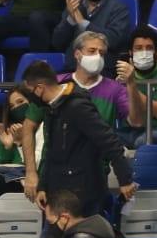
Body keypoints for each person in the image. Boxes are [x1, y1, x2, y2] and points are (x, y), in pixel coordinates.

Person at [19, 59, 135, 217]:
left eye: (31, 92)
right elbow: (51, 152)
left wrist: (125, 180)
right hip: (58, 191)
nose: (31, 98)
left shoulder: (78, 106)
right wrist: (43, 187)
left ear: (39, 88)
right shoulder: (51, 108)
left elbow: (110, 142)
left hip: (84, 191)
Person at [62, 30, 133, 144]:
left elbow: (136, 121)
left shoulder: (115, 89)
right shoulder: (59, 83)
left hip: (100, 157)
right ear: (77, 54)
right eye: (92, 51)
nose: (97, 56)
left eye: (101, 53)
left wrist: (131, 83)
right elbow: (31, 124)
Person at [114, 25, 157, 147]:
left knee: (143, 142)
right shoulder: (122, 77)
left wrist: (131, 84)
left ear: (156, 52)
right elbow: (131, 119)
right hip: (129, 130)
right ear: (130, 53)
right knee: (103, 141)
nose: (144, 52)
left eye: (149, 48)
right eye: (138, 48)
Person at [52, 0, 130, 57]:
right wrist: (71, 20)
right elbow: (57, 43)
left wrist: (83, 23)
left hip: (104, 66)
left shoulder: (118, 8)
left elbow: (114, 40)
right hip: (74, 65)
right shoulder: (74, 6)